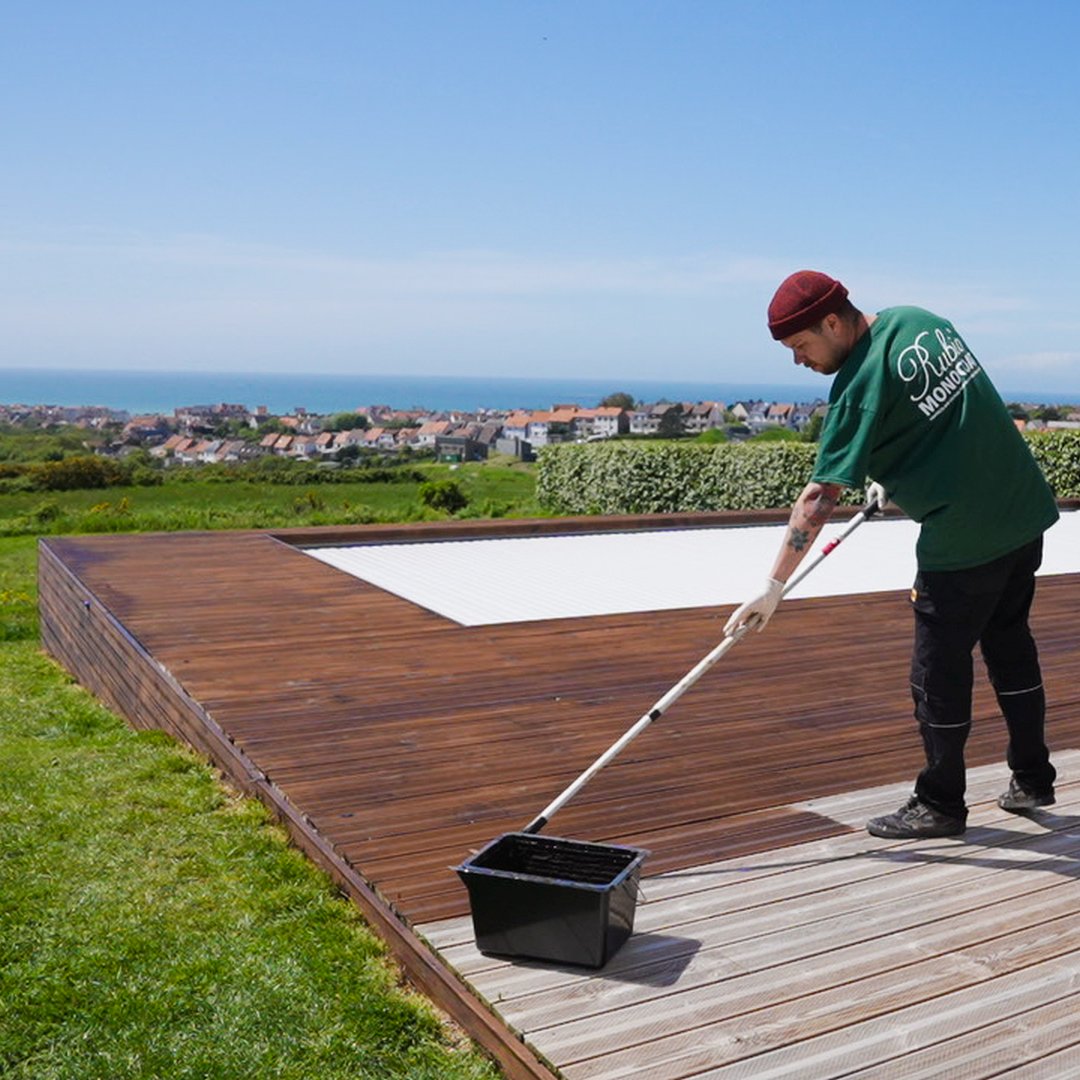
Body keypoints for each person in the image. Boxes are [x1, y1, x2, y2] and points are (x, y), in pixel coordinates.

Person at [725, 270, 1060, 839]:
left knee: (937, 672)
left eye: (802, 347)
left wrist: (774, 585)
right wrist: (896, 474)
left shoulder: (855, 391)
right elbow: (945, 416)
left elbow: (818, 499)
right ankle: (1032, 777)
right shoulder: (921, 322)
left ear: (832, 322)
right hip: (1024, 513)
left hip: (964, 542)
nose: (799, 362)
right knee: (1010, 646)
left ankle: (940, 804)